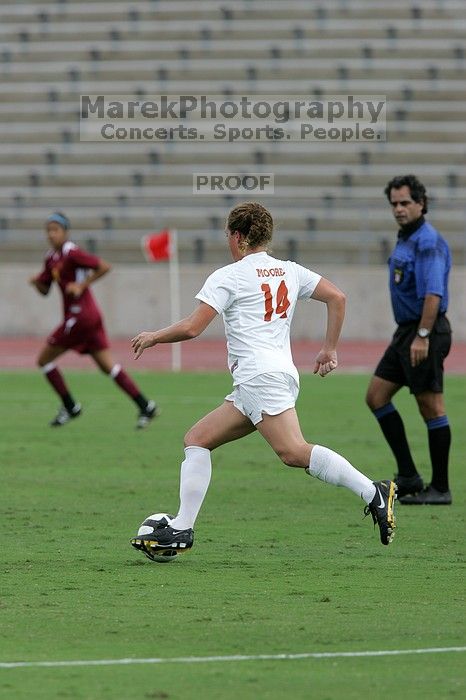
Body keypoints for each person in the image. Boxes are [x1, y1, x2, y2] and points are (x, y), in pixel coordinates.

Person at [129, 201, 396, 560]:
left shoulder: (230, 275)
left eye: (228, 235)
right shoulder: (288, 271)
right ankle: (183, 526)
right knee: (197, 440)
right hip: (270, 377)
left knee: (293, 452)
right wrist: (328, 349)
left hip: (260, 377)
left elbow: (194, 327)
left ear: (237, 236)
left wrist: (154, 336)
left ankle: (373, 492)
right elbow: (337, 297)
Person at [366, 175, 452, 505]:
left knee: (431, 407)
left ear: (421, 204)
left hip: (423, 331)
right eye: (394, 204)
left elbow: (433, 294)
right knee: (376, 396)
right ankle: (409, 476)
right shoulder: (407, 237)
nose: (399, 209)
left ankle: (441, 488)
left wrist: (423, 336)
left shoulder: (427, 242)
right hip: (406, 333)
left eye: (405, 203)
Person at [29, 212, 159, 429]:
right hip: (89, 318)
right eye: (48, 230)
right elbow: (45, 289)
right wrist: (36, 282)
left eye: (55, 230)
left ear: (65, 232)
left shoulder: (72, 253)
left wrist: (82, 285)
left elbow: (104, 266)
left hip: (80, 317)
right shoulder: (51, 257)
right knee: (109, 367)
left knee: (43, 360)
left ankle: (70, 407)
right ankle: (146, 406)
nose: (51, 235)